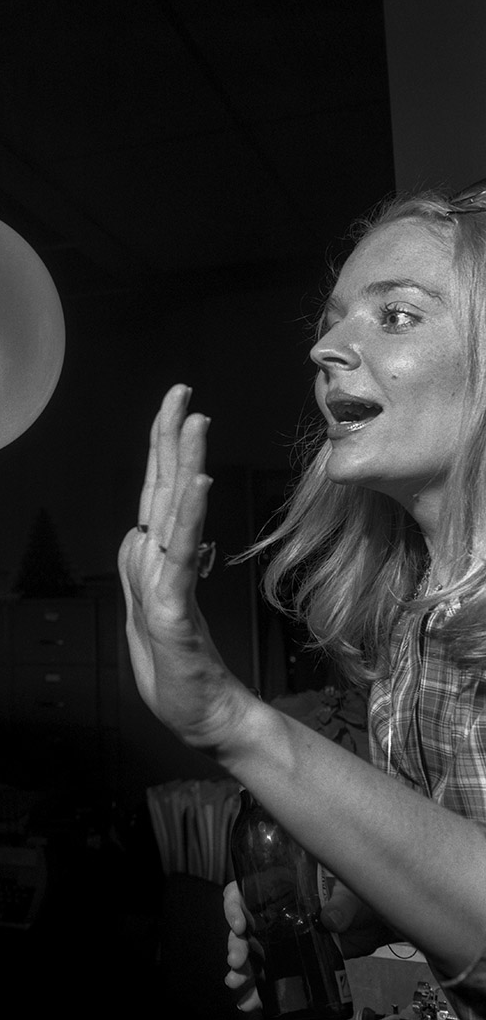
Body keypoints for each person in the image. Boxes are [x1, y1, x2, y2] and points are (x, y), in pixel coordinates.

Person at [119, 184, 486, 1019]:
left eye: (395, 315)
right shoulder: (416, 615)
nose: (325, 346)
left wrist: (232, 719)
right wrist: (360, 911)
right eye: (333, 319)